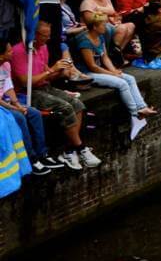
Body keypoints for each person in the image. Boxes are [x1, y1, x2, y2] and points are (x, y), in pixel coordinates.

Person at [7, 21, 95, 170]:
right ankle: (80, 147)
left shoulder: (43, 47)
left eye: (49, 35)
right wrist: (51, 70)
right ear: (34, 35)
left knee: (78, 104)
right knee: (65, 107)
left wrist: (60, 72)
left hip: (44, 87)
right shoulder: (18, 51)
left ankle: (70, 150)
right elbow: (25, 82)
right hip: (27, 92)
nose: (48, 39)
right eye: (44, 36)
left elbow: (46, 76)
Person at [69, 10, 155, 139]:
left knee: (130, 78)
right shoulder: (84, 41)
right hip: (86, 73)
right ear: (95, 27)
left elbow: (105, 57)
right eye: (103, 24)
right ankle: (135, 113)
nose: (106, 27)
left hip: (99, 69)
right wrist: (112, 74)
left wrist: (114, 71)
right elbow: (92, 66)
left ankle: (142, 107)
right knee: (121, 83)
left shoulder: (100, 36)